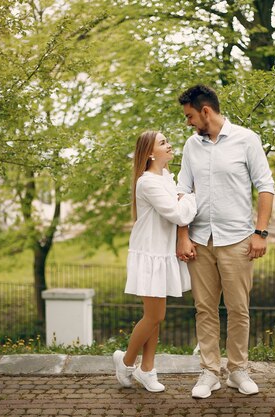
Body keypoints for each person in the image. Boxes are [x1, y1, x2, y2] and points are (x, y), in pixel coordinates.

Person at [176, 84, 275, 398]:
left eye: (191, 116)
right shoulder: (191, 146)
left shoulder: (247, 140)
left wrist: (260, 234)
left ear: (206, 111)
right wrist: (182, 237)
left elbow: (265, 187)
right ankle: (209, 372)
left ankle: (238, 369)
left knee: (238, 308)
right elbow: (182, 192)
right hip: (200, 240)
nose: (188, 123)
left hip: (237, 240)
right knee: (204, 309)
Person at [113, 130, 197, 393]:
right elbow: (175, 213)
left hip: (162, 253)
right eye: (163, 143)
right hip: (149, 253)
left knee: (155, 317)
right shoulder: (147, 182)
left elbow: (177, 209)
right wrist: (191, 198)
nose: (169, 145)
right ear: (150, 153)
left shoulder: (167, 178)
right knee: (154, 315)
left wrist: (184, 199)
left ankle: (147, 369)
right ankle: (126, 363)